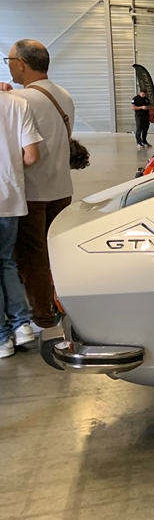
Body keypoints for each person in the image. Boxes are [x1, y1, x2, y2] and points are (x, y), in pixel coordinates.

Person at [4, 39, 75, 335]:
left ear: (21, 64)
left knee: (32, 258)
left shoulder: (20, 100)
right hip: (62, 188)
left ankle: (42, 318)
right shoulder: (64, 95)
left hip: (33, 193)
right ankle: (60, 306)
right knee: (56, 254)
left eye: (9, 61)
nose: (8, 67)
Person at [0, 91, 42, 358]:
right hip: (10, 195)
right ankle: (21, 325)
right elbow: (32, 156)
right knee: (6, 262)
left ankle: (2, 338)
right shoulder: (17, 103)